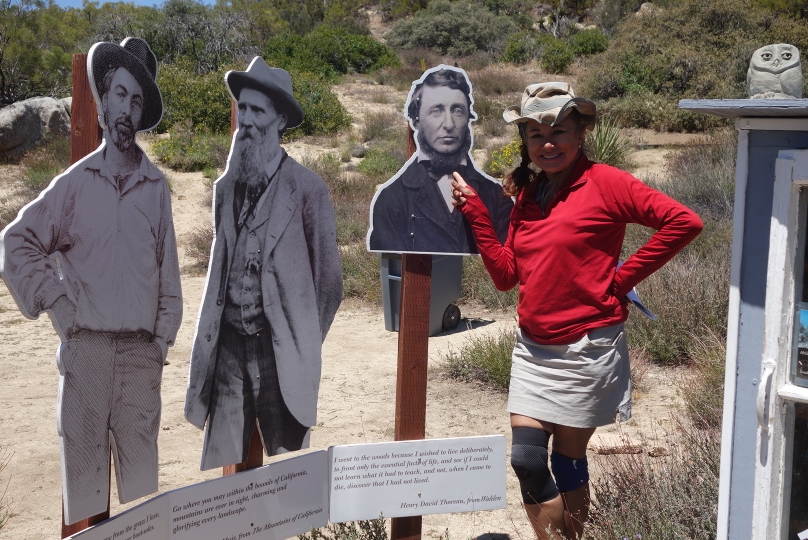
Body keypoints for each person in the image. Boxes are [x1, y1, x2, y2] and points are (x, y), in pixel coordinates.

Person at [451, 82, 703, 540]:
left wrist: (620, 278)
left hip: (587, 347)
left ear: (581, 133)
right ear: (524, 142)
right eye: (535, 135)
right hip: (533, 347)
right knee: (526, 460)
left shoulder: (607, 182)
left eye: (559, 132)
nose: (547, 144)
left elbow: (684, 222)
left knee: (567, 463)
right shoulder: (529, 193)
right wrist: (476, 214)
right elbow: (507, 276)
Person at [0, 37, 182, 524]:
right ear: (103, 101)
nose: (127, 109)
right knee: (83, 495)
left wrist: (159, 344)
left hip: (141, 359)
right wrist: (56, 302)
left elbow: (169, 280)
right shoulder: (75, 185)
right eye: (120, 95)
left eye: (137, 101)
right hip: (87, 356)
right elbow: (16, 243)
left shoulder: (157, 188)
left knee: (141, 498)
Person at [184, 57, 343, 471]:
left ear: (280, 120)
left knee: (288, 471)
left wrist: (300, 341)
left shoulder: (309, 190)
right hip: (229, 351)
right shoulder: (230, 186)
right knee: (228, 469)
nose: (247, 121)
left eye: (258, 111)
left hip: (279, 351)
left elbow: (330, 284)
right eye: (242, 110)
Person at [367, 65, 513, 254]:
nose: (449, 124)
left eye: (457, 111)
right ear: (417, 119)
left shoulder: (496, 197)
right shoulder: (391, 200)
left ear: (469, 117)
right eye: (436, 111)